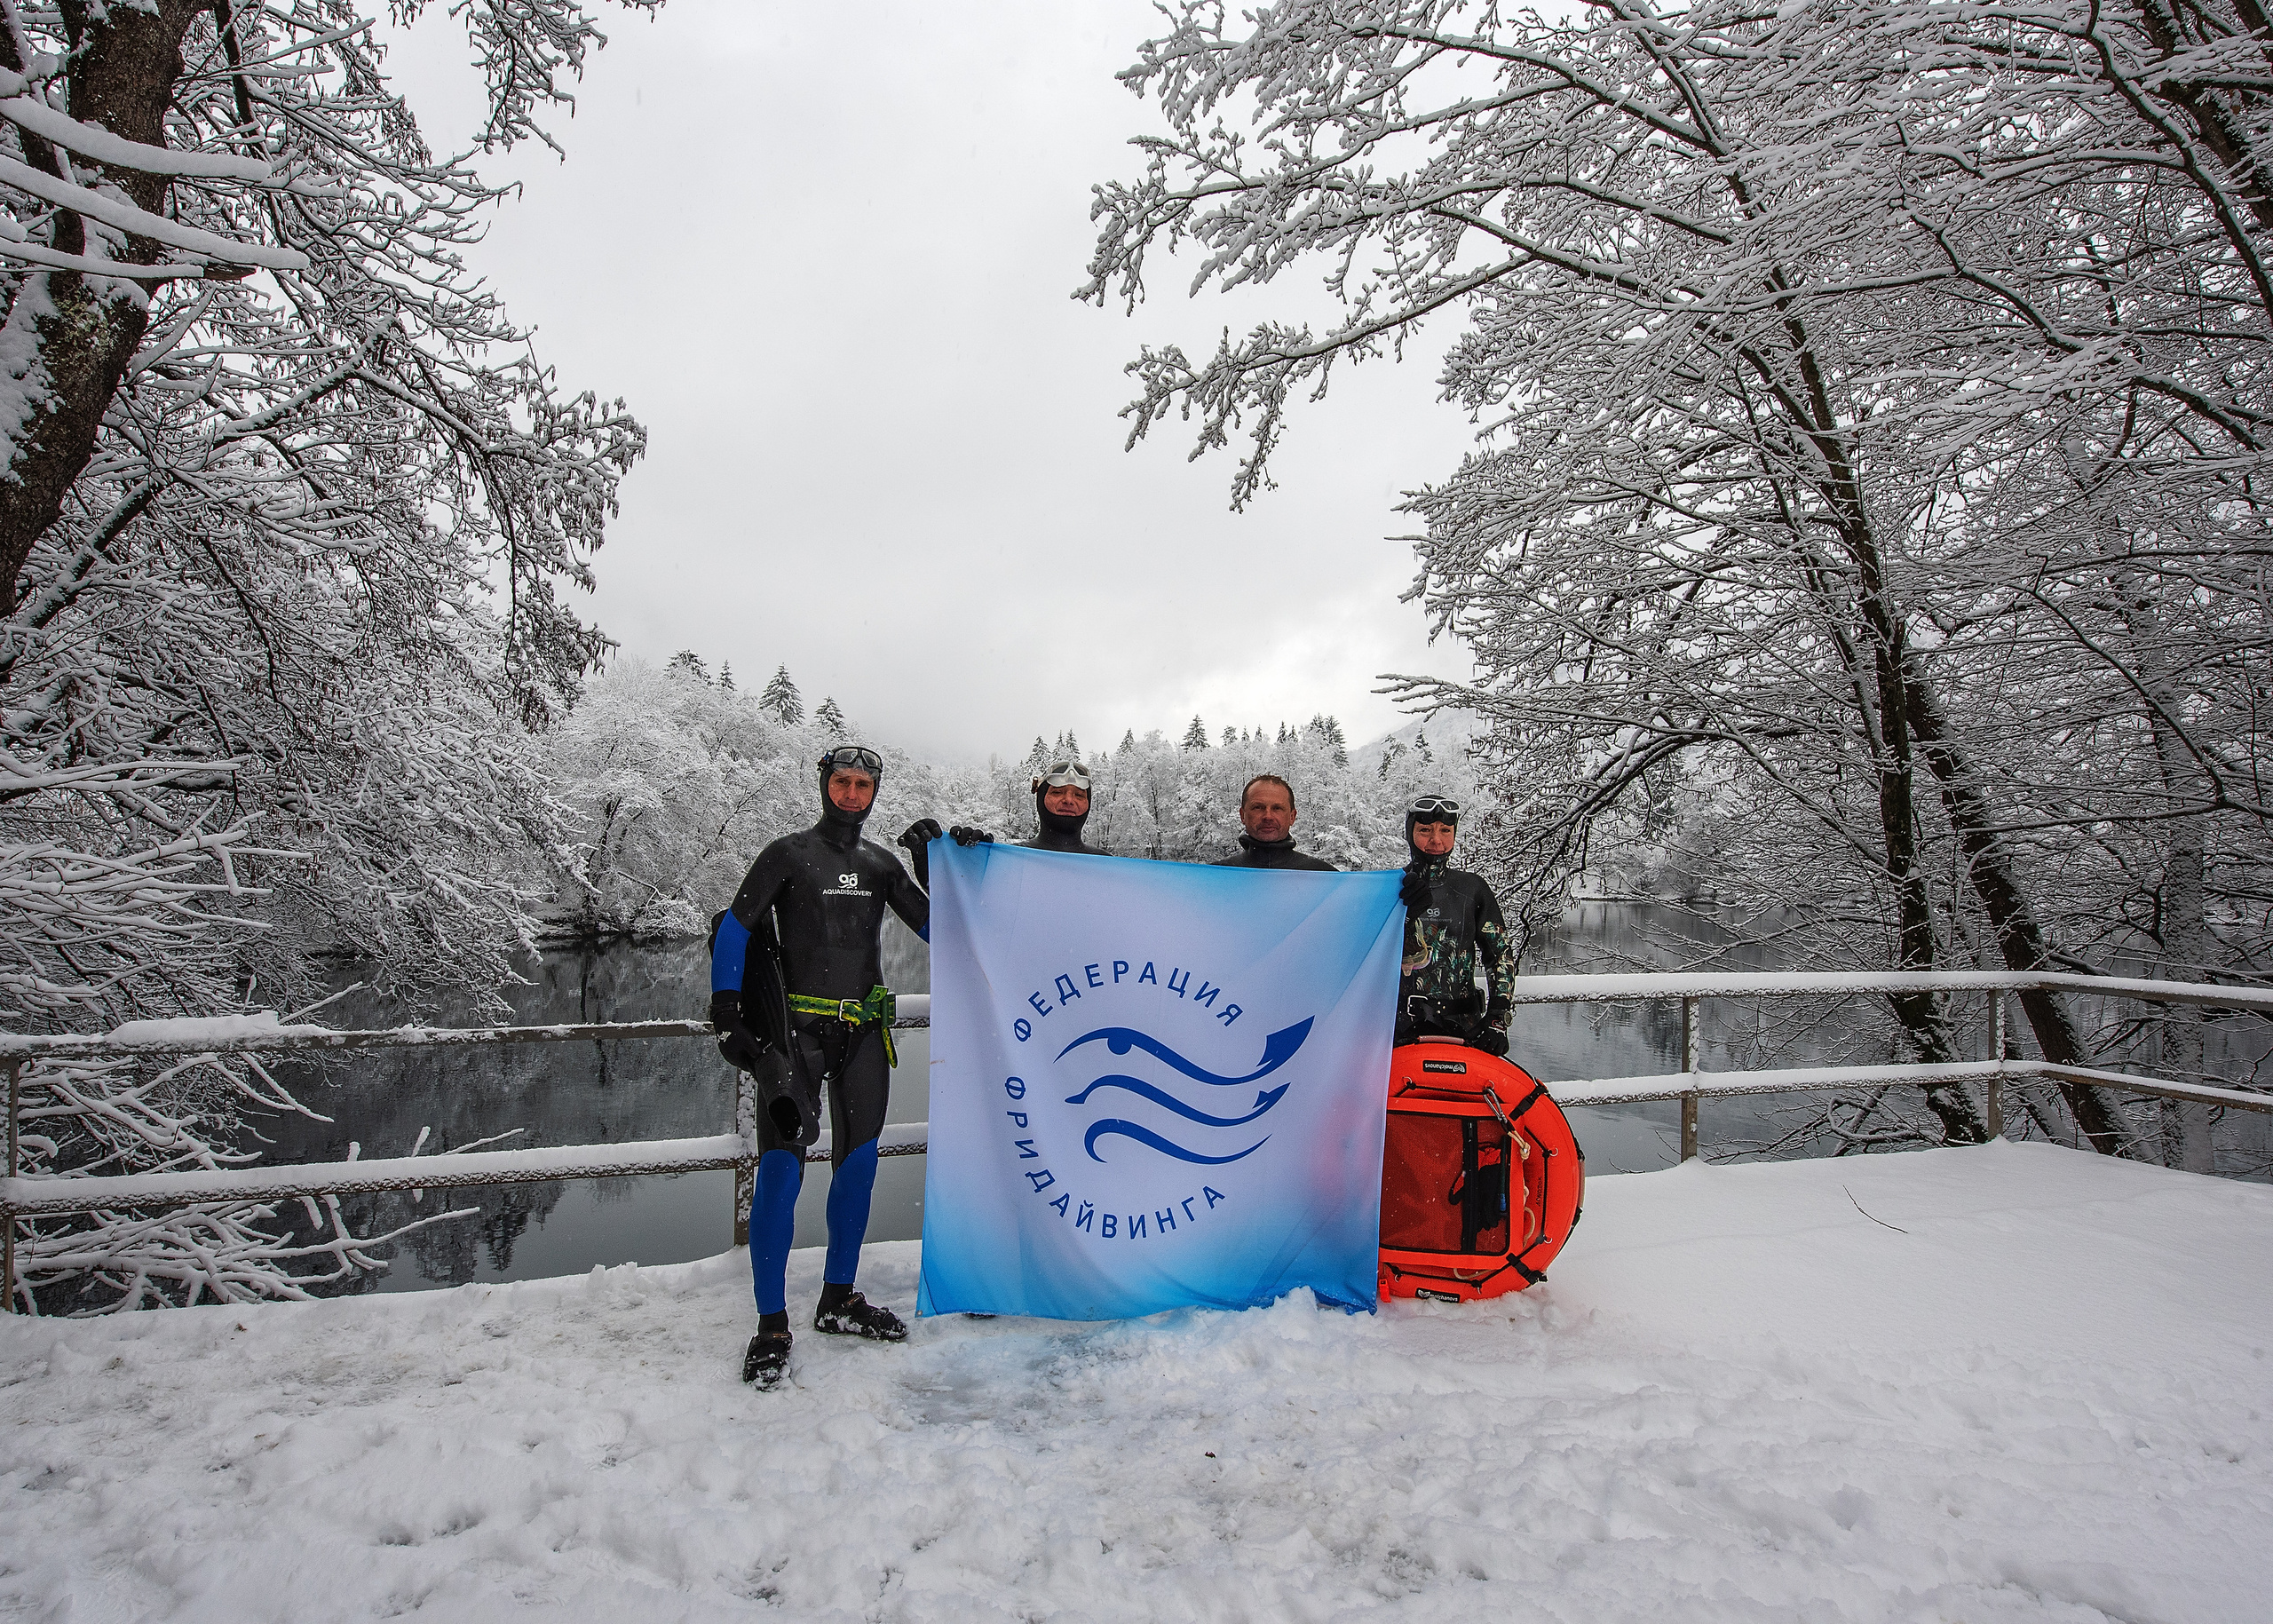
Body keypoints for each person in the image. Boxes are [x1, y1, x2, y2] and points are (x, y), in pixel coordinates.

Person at [710, 745, 930, 1389]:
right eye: (843, 781)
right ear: (824, 784)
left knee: (858, 1168)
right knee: (781, 1174)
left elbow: (943, 930)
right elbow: (735, 930)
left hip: (863, 1034)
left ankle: (838, 1299)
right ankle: (771, 1324)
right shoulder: (788, 854)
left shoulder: (881, 865)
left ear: (875, 791)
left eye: (864, 784)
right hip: (795, 1038)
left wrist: (936, 867)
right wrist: (727, 1010)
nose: (853, 793)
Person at [1394, 794, 1515, 1055]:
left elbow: (1499, 955)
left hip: (1464, 1029)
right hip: (1398, 1030)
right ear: (1410, 833)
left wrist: (1498, 1016)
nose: (1436, 840)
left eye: (1445, 831)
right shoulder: (1390, 888)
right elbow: (1364, 956)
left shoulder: (1472, 889)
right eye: (1425, 830)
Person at [895, 761, 1106, 879]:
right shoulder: (1007, 864)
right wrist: (932, 863)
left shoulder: (1108, 868)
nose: (1069, 800)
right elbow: (957, 913)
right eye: (1057, 792)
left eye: (1079, 795)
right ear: (1040, 798)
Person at [1211, 774, 1336, 871]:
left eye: (1277, 808)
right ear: (1242, 815)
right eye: (1258, 807)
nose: (1268, 816)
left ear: (1292, 817)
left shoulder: (1325, 878)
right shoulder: (1215, 878)